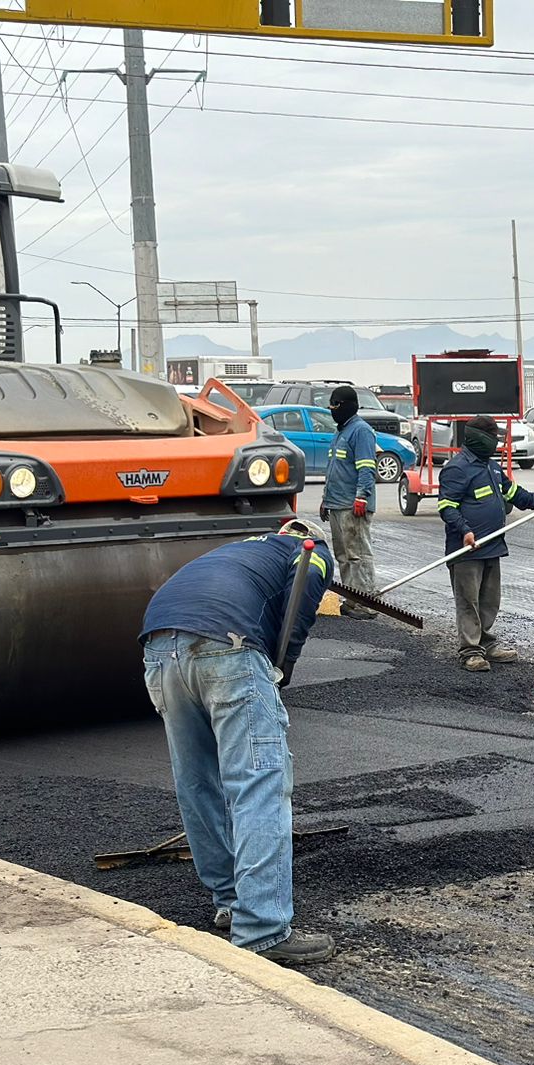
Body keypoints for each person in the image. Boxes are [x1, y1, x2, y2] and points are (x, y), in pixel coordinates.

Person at [139, 519, 337, 966]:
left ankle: (230, 901)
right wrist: (284, 666)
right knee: (259, 784)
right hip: (227, 647)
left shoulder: (243, 550)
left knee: (198, 782)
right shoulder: (312, 551)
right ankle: (262, 930)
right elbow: (303, 600)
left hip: (160, 646)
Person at [437, 414, 534, 672]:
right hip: (467, 550)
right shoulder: (457, 468)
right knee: (468, 601)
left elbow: (514, 493)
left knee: (489, 600)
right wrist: (465, 531)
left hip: (492, 546)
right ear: (480, 438)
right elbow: (447, 507)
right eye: (494, 437)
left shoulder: (492, 467)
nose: (497, 442)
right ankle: (470, 651)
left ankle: (486, 642)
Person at [318, 384, 378, 620]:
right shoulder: (341, 432)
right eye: (330, 406)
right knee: (343, 556)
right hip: (337, 503)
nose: (333, 410)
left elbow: (366, 467)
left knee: (358, 554)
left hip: (353, 506)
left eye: (336, 405)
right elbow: (335, 469)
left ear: (349, 406)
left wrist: (362, 496)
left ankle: (367, 603)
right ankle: (352, 600)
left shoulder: (361, 431)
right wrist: (325, 499)